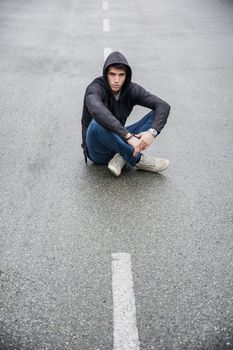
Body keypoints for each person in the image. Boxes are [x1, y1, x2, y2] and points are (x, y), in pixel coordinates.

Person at [81, 51, 171, 177]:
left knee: (155, 114)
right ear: (105, 74)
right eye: (112, 74)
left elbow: (163, 106)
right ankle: (137, 159)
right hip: (98, 150)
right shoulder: (95, 88)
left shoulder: (131, 89)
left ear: (126, 76)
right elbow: (97, 111)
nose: (116, 80)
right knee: (96, 123)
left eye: (121, 75)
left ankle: (121, 156)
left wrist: (152, 132)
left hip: (118, 139)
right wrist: (128, 137)